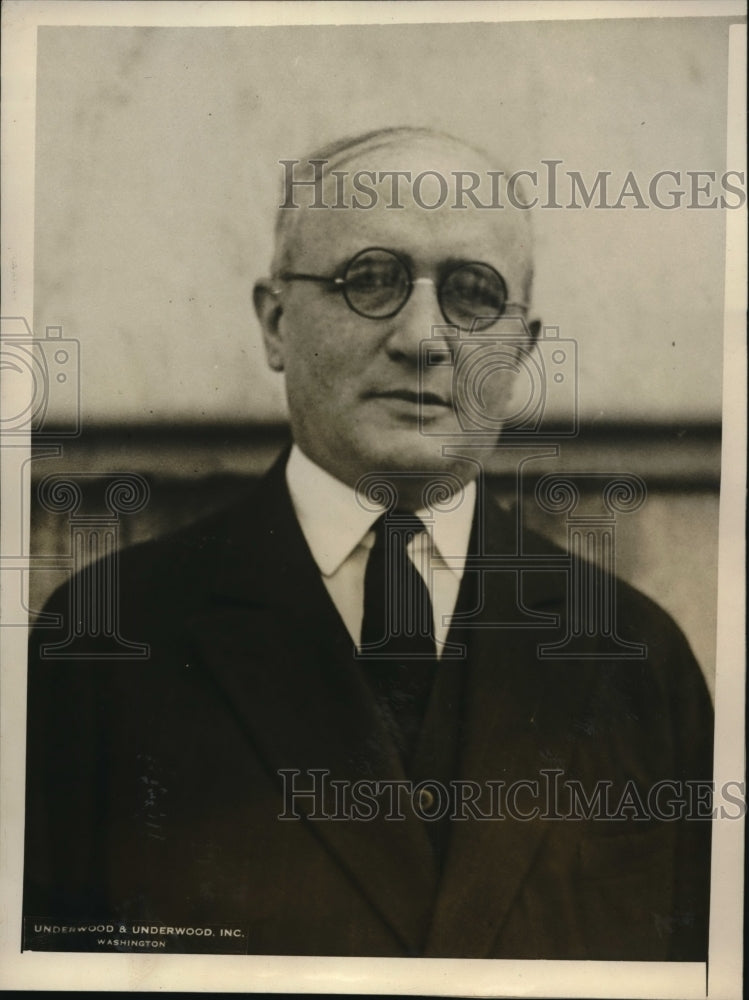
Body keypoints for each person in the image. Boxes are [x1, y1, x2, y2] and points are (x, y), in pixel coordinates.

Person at [23, 127, 713, 961]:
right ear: (276, 323)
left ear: (522, 349)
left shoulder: (635, 658)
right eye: (371, 280)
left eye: (472, 294)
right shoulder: (106, 642)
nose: (423, 339)